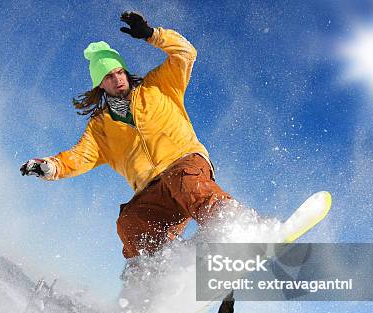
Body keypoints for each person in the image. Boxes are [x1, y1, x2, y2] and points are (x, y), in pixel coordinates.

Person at [21, 11, 234, 261]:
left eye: (120, 72)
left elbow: (186, 53)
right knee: (129, 222)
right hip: (153, 190)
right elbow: (78, 157)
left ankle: (233, 227)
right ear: (100, 84)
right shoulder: (101, 127)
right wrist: (50, 167)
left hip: (185, 163)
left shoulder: (158, 85)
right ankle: (159, 272)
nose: (117, 79)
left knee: (184, 181)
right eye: (109, 76)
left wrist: (152, 35)